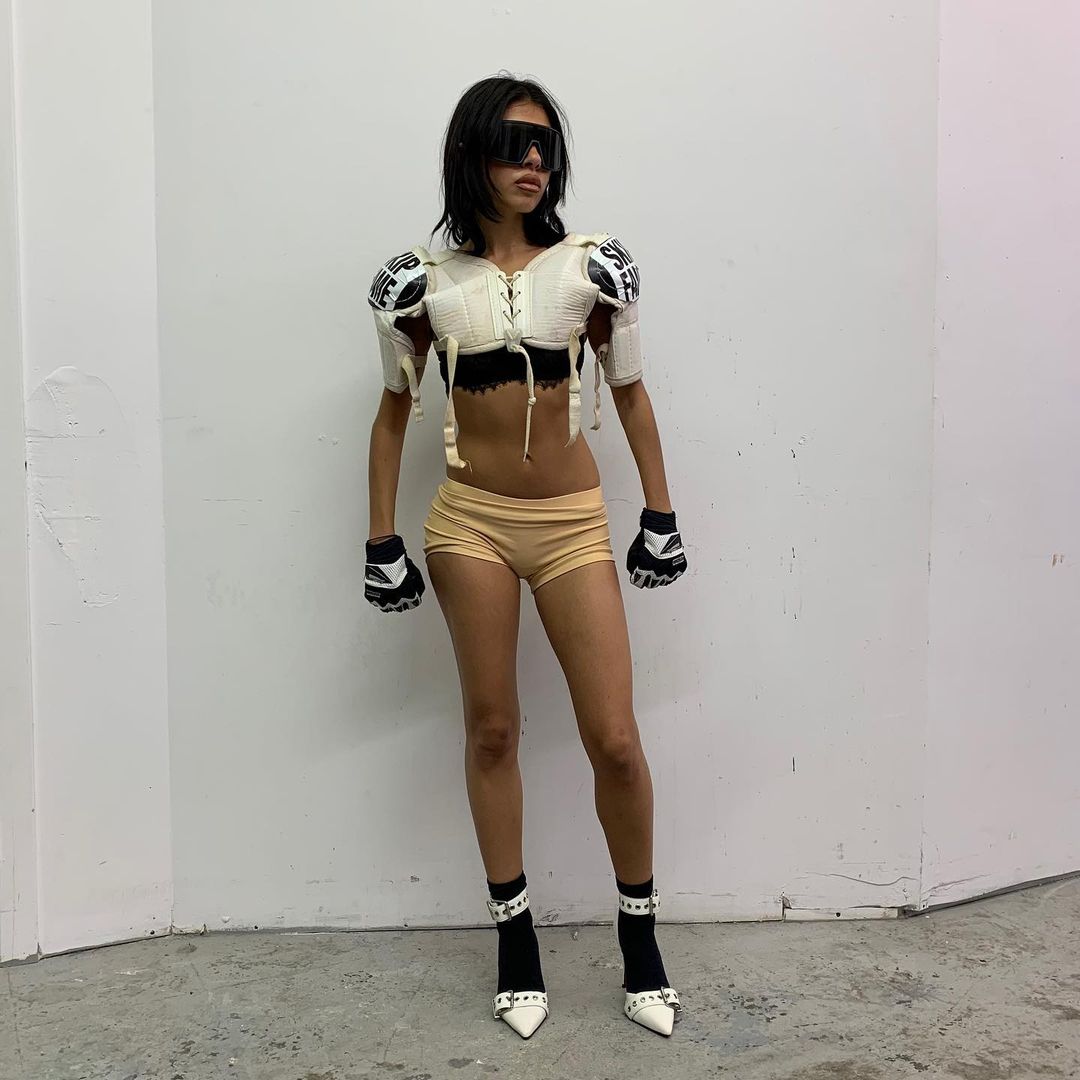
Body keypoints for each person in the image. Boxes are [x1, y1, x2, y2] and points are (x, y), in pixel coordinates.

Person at [363, 74, 688, 1040]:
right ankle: (516, 942)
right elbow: (393, 414)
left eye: (545, 145)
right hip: (468, 521)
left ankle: (640, 940)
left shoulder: (593, 268)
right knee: (493, 730)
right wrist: (380, 537)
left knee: (614, 738)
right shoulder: (423, 284)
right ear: (471, 154)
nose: (534, 160)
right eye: (512, 143)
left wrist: (660, 512)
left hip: (572, 523)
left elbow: (630, 393)